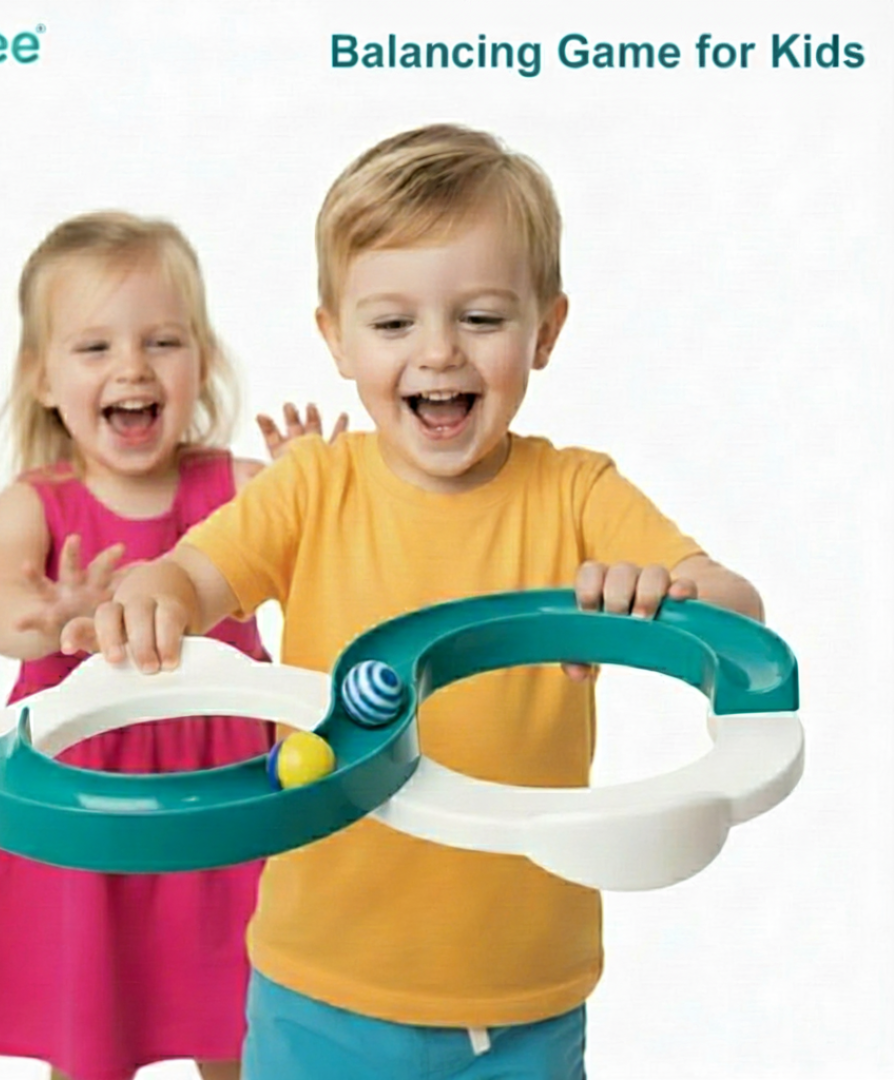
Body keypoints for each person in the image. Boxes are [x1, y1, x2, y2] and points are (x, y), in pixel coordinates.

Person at [64, 127, 766, 1080]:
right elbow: (194, 577)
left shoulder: (579, 494)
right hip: (321, 984)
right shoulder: (312, 485)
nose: (439, 353)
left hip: (528, 994)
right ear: (336, 340)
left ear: (545, 330)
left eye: (480, 318)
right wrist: (153, 591)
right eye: (394, 325)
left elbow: (738, 609)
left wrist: (666, 595)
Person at [0, 211, 333, 1080]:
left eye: (162, 341)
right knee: (90, 1030)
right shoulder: (35, 504)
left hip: (226, 793)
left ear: (200, 363)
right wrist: (52, 612)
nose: (132, 367)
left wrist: (314, 486)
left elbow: (318, 561)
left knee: (241, 1020)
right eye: (94, 349)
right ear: (42, 378)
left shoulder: (237, 488)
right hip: (85, 801)